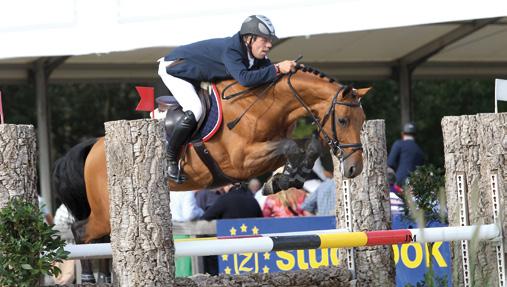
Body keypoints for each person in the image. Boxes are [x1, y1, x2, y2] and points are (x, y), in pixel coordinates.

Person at [158, 15, 297, 181]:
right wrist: (278, 68)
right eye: (265, 40)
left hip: (199, 72)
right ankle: (170, 159)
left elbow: (269, 77)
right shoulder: (233, 50)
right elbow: (245, 79)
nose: (269, 45)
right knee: (196, 109)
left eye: (270, 40)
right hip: (175, 70)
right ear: (249, 38)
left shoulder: (255, 55)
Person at [200, 183, 263, 275]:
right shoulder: (253, 200)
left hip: (228, 247)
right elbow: (261, 220)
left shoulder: (224, 199)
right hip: (251, 249)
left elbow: (204, 218)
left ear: (229, 185)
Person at [387, 122, 425, 190]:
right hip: (414, 187)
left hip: (398, 184)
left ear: (402, 134)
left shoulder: (398, 144)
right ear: (415, 135)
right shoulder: (420, 150)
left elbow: (390, 164)